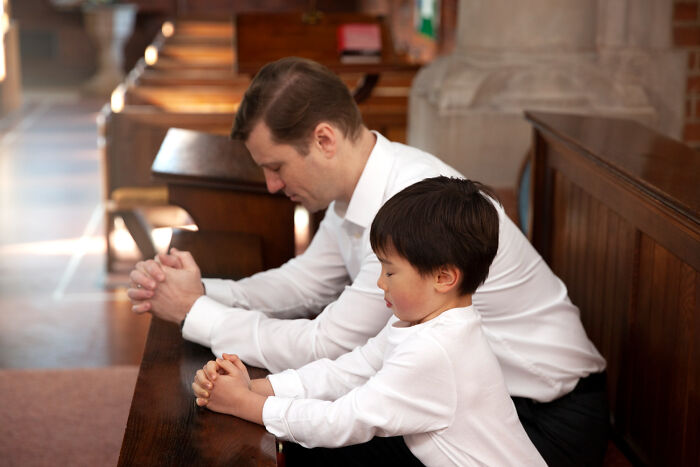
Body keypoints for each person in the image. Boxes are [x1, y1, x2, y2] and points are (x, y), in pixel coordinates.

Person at [128, 57, 609, 465]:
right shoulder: (356, 195)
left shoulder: (407, 208)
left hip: (547, 418)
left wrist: (194, 316)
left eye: (275, 166)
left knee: (315, 448)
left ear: (324, 140)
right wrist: (204, 292)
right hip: (464, 400)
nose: (273, 186)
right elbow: (305, 288)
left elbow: (326, 345)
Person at [191, 176, 546, 466]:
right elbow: (347, 372)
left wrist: (243, 404)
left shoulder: (436, 350)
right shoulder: (419, 323)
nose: (380, 282)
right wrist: (254, 387)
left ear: (443, 277)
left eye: (390, 271)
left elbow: (344, 421)